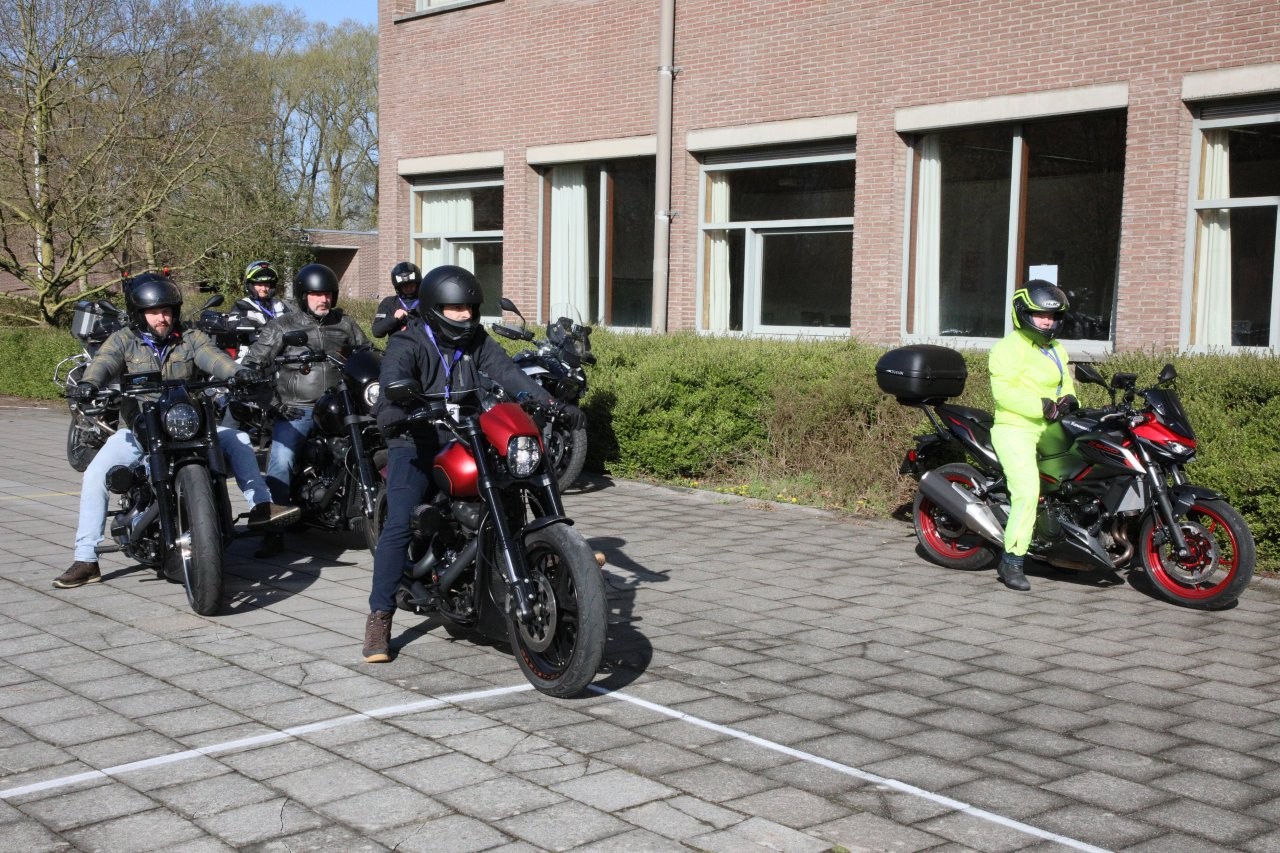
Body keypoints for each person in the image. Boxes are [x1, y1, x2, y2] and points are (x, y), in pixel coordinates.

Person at [361, 265, 585, 663]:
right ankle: (380, 615)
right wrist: (395, 411)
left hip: (467, 432)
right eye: (456, 309)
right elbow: (392, 383)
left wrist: (551, 404)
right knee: (398, 522)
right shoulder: (408, 341)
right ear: (434, 309)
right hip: (416, 436)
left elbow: (508, 372)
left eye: (469, 308)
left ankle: (547, 559)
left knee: (519, 477)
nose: (465, 315)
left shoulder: (476, 339)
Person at [55, 271, 300, 589]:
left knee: (239, 439)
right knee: (94, 476)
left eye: (167, 310)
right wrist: (90, 383)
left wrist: (239, 373)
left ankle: (261, 506)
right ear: (139, 314)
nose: (163, 318)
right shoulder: (124, 339)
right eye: (154, 312)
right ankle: (86, 558)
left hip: (189, 424)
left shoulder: (190, 337)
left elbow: (214, 359)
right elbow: (104, 362)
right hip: (140, 430)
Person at [242, 263, 370, 558]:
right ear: (303, 296)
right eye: (316, 294)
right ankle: (273, 531)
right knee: (281, 460)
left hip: (339, 406)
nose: (323, 299)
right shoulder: (283, 326)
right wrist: (271, 401)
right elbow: (253, 364)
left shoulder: (345, 323)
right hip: (297, 409)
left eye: (328, 294)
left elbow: (367, 352)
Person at [988, 280, 1078, 591]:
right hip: (1015, 427)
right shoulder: (1007, 349)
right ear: (1023, 314)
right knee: (1027, 492)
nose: (1047, 322)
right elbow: (1004, 393)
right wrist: (1040, 405)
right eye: (1040, 315)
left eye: (1051, 316)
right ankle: (1012, 561)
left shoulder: (1056, 349)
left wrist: (1070, 399)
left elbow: (1065, 383)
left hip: (1050, 426)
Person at [232, 260, 291, 356]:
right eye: (259, 285)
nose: (263, 289)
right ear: (251, 286)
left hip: (281, 354)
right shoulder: (241, 305)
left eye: (266, 285)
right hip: (251, 355)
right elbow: (232, 325)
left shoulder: (279, 305)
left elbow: (294, 322)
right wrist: (247, 325)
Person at [371, 261, 421, 338]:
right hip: (398, 343)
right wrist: (395, 318)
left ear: (417, 284)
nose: (408, 288)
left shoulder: (425, 300)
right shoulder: (389, 303)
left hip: (422, 343)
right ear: (398, 287)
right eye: (404, 285)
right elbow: (377, 332)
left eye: (411, 284)